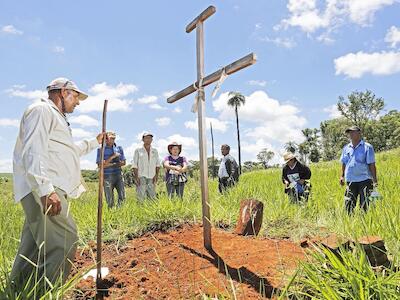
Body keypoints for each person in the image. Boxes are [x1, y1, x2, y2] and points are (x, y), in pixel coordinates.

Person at [11, 78, 103, 294]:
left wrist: (95, 142)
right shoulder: (42, 110)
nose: (78, 103)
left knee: (33, 248)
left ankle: (16, 291)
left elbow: (69, 151)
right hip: (45, 188)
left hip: (45, 187)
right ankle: (47, 294)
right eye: (76, 97)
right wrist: (46, 190)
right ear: (63, 92)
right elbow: (33, 150)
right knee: (64, 241)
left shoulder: (56, 118)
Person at [340, 125, 378, 214]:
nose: (351, 134)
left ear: (359, 133)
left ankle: (363, 224)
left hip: (365, 180)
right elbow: (344, 163)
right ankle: (350, 224)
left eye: (353, 132)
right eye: (349, 132)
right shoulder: (346, 148)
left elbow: (371, 164)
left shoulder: (367, 147)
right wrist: (342, 176)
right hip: (350, 180)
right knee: (349, 204)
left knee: (364, 204)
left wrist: (374, 180)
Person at [96, 131, 126, 208]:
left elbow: (123, 162)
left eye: (113, 138)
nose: (112, 140)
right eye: (110, 138)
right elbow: (100, 165)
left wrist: (109, 164)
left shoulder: (119, 148)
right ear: (105, 139)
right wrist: (112, 157)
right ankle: (111, 214)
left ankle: (120, 212)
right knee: (109, 199)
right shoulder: (101, 150)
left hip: (118, 175)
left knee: (122, 196)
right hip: (107, 176)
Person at [132, 132, 160, 201]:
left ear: (152, 140)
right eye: (146, 138)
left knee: (152, 197)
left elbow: (157, 164)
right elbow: (135, 165)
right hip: (141, 176)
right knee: (141, 196)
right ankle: (140, 211)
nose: (148, 139)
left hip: (152, 176)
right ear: (143, 139)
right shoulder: (138, 150)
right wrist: (136, 177)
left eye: (150, 138)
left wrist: (156, 175)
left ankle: (151, 211)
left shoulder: (155, 151)